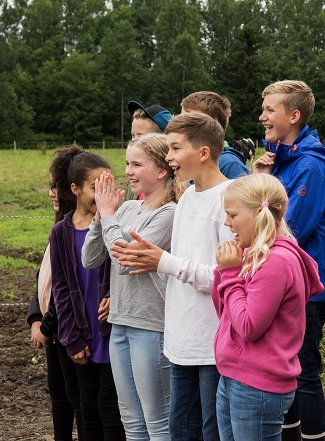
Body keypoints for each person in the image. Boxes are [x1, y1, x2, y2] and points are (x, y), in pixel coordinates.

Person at [111, 112, 234, 441]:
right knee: (181, 431)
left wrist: (163, 262)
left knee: (212, 430)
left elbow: (226, 278)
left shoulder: (230, 199)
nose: (169, 157)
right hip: (180, 342)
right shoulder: (189, 197)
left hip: (211, 343)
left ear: (203, 153)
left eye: (176, 148)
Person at [81, 133, 184, 440]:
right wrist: (100, 220)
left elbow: (126, 263)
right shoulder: (127, 209)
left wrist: (109, 216)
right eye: (127, 163)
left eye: (137, 164)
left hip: (151, 326)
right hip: (120, 324)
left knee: (158, 421)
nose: (128, 172)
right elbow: (90, 258)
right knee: (132, 422)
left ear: (162, 170)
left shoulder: (169, 213)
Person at [252, 80, 325, 441]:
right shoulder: (280, 162)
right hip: (283, 281)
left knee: (302, 370)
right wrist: (260, 180)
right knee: (284, 368)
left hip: (308, 286)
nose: (262, 117)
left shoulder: (310, 168)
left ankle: (316, 436)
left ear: (294, 115)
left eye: (269, 110)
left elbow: (290, 229)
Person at [211, 173, 324, 441]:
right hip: (233, 374)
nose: (227, 223)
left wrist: (229, 274)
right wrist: (223, 272)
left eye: (232, 215)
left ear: (257, 213)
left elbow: (248, 326)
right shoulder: (252, 254)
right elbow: (225, 315)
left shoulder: (276, 262)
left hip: (257, 384)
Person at [49, 149, 125, 441]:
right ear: (75, 189)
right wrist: (72, 338)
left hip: (110, 332)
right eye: (96, 187)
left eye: (109, 185)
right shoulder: (60, 233)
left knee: (109, 408)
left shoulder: (114, 226)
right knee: (86, 409)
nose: (103, 194)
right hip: (83, 335)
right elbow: (62, 289)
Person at [27, 147, 82, 441]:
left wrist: (47, 325)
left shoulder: (73, 227)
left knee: (76, 398)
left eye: (56, 184)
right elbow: (43, 277)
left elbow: (65, 283)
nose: (51, 191)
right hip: (53, 329)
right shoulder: (59, 223)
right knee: (60, 398)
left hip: (68, 328)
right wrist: (35, 318)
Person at [180, 91, 249, 179]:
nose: (180, 125)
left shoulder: (230, 165)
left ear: (213, 126)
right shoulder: (193, 160)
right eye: (180, 119)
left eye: (189, 121)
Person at [126, 100, 174, 201]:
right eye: (133, 135)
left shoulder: (174, 190)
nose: (134, 141)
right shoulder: (135, 181)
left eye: (141, 137)